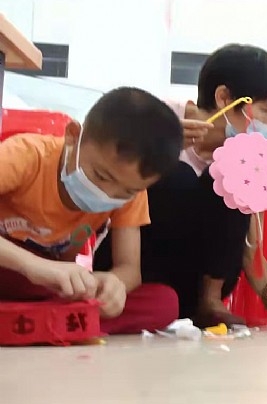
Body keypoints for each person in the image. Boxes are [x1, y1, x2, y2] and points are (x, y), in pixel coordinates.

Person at [94, 44, 267, 329]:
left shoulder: (247, 161)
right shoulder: (161, 120)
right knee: (177, 175)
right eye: (264, 110)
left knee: (230, 177)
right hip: (130, 269)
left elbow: (251, 250)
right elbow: (109, 184)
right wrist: (162, 147)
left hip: (188, 287)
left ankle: (210, 302)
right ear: (223, 97)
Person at [0, 87, 183, 334]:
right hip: (15, 268)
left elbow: (129, 269)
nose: (109, 193)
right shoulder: (27, 155)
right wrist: (32, 266)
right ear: (73, 135)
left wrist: (113, 284)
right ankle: (58, 323)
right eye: (101, 176)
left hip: (51, 287)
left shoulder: (133, 192)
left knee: (164, 302)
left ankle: (33, 322)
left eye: (126, 192)